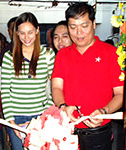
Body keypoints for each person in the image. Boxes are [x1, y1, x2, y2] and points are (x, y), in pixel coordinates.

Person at [51, 2, 124, 150]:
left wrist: (104, 111)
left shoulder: (111, 54)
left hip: (98, 132)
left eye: (84, 26)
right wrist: (63, 107)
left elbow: (120, 94)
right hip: (67, 130)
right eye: (73, 27)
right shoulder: (63, 55)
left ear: (94, 24)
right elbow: (57, 87)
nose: (79, 33)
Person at [1, 12, 55, 150]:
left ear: (37, 30)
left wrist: (45, 117)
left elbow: (52, 88)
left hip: (41, 116)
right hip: (16, 117)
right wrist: (11, 122)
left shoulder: (48, 55)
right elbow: (6, 92)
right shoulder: (9, 57)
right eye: (22, 33)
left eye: (30, 32)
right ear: (16, 33)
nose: (26, 37)